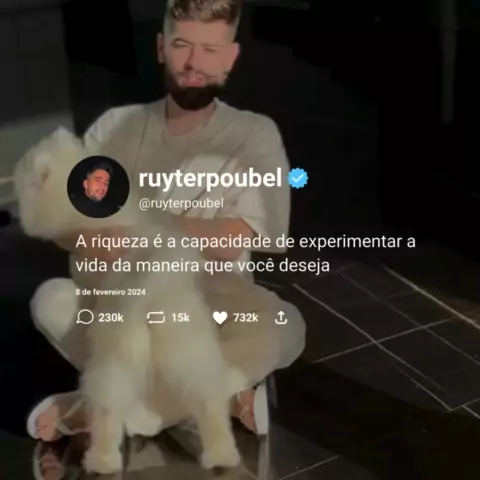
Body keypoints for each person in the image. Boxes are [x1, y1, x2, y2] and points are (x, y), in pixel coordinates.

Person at [28, 0, 306, 461]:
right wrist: (88, 236)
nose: (194, 63)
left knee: (286, 327)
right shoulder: (114, 126)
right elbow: (68, 222)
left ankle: (107, 407)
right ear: (161, 48)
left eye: (209, 50)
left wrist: (143, 227)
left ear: (231, 57)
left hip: (211, 313)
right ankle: (219, 397)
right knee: (51, 300)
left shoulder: (254, 135)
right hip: (119, 308)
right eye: (182, 45)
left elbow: (241, 236)